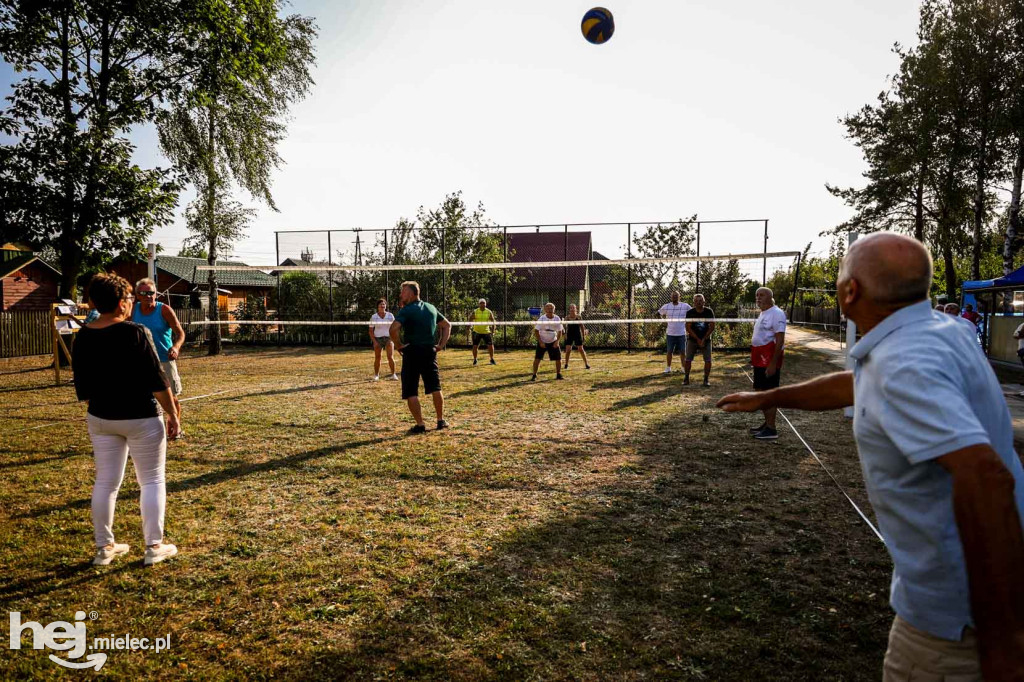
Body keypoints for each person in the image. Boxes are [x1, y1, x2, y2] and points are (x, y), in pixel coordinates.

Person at [717, 232, 1024, 681]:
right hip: (963, 612)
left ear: (849, 291)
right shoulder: (941, 329)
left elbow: (985, 478)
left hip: (957, 628)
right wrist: (769, 397)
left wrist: (1004, 643)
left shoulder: (903, 364)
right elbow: (856, 384)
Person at [72, 273, 180, 567]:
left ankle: (104, 547)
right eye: (131, 298)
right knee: (152, 480)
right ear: (121, 303)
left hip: (101, 417)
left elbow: (82, 385)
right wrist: (172, 412)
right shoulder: (135, 332)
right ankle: (154, 546)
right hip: (140, 417)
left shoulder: (83, 335)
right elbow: (157, 380)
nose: (132, 303)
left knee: (106, 482)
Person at [389, 281, 451, 433]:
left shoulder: (407, 310)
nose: (400, 295)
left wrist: (398, 345)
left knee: (411, 391)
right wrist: (441, 345)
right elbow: (447, 325)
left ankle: (420, 424)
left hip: (412, 352)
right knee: (435, 387)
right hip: (430, 352)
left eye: (403, 292)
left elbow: (393, 329)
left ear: (410, 293)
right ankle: (440, 420)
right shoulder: (431, 307)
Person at [131, 278, 185, 439]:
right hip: (140, 361)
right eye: (144, 293)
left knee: (172, 397)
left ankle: (176, 429)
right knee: (143, 398)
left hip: (164, 359)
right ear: (137, 295)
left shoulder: (164, 310)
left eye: (152, 293)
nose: (149, 296)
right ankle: (147, 431)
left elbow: (180, 333)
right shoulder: (133, 310)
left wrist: (175, 347)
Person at [748, 287, 787, 441]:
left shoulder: (777, 313)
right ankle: (767, 424)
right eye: (757, 295)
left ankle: (771, 429)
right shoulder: (764, 313)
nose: (758, 297)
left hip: (769, 359)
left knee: (768, 393)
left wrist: (772, 363)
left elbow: (780, 340)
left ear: (771, 297)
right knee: (760, 391)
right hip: (760, 357)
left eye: (762, 295)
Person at [684, 294, 715, 386]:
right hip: (693, 339)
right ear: (693, 302)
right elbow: (688, 328)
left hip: (706, 339)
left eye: (700, 300)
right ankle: (686, 378)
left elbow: (712, 327)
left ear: (704, 302)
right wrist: (697, 339)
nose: (698, 302)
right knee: (688, 360)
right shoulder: (690, 312)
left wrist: (704, 339)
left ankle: (706, 380)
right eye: (696, 301)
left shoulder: (709, 311)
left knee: (708, 360)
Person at [658, 291, 691, 374]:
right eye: (673, 296)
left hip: (681, 333)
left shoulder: (685, 306)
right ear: (671, 297)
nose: (675, 297)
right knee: (669, 351)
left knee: (683, 352)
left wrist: (690, 322)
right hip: (670, 333)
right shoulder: (667, 306)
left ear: (680, 297)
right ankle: (668, 367)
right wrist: (661, 321)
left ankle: (683, 368)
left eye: (676, 296)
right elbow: (658, 313)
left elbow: (692, 312)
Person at [531, 302, 564, 381]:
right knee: (537, 358)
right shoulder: (542, 318)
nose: (550, 310)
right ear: (545, 310)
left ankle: (558, 374)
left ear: (554, 310)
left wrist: (557, 341)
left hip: (553, 341)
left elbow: (560, 331)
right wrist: (540, 342)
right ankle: (534, 375)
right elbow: (536, 331)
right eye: (548, 308)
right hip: (542, 341)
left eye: (551, 308)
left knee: (558, 358)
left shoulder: (557, 318)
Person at [368, 299, 397, 381]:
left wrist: (392, 338)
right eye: (380, 304)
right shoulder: (374, 317)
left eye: (383, 304)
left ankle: (393, 375)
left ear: (385, 306)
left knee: (390, 357)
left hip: (388, 338)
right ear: (378, 306)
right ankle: (376, 375)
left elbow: (394, 328)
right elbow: (370, 331)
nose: (382, 306)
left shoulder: (390, 315)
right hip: (378, 339)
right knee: (378, 357)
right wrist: (374, 341)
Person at [563, 304, 590, 370]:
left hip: (577, 334)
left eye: (573, 308)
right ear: (569, 309)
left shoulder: (579, 317)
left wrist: (583, 335)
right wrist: (565, 335)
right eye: (571, 308)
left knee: (581, 349)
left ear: (576, 309)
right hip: (569, 334)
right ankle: (566, 364)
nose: (572, 309)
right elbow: (564, 327)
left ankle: (586, 364)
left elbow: (582, 326)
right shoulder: (567, 317)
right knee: (568, 350)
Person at [470, 298, 497, 366]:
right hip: (476, 331)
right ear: (479, 304)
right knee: (475, 346)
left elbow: (493, 321)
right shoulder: (475, 311)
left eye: (484, 303)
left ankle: (492, 359)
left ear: (486, 304)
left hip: (486, 332)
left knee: (490, 346)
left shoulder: (489, 312)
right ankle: (475, 359)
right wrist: (468, 328)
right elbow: (470, 318)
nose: (482, 304)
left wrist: (493, 331)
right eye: (481, 303)